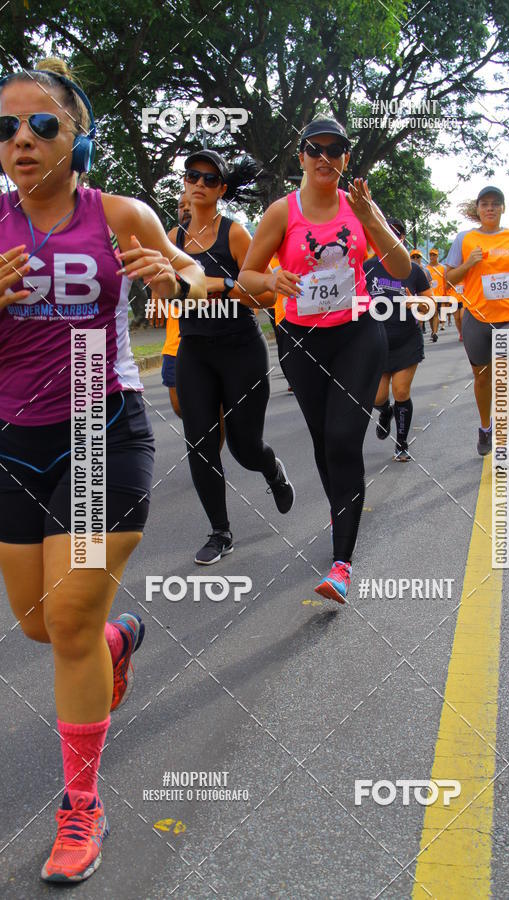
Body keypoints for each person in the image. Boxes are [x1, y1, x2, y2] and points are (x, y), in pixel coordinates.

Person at [0, 59, 206, 883]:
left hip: (99, 424)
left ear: (79, 137)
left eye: (41, 124)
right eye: (6, 127)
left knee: (71, 622)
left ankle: (81, 809)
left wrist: (177, 279)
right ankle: (119, 641)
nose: (20, 139)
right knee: (39, 626)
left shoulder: (119, 214)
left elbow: (192, 277)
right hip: (14, 435)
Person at [238, 116, 411, 602]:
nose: (324, 158)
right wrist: (271, 281)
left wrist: (371, 215)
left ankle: (341, 564)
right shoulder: (281, 212)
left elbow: (403, 268)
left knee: (341, 438)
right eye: (314, 149)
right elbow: (246, 278)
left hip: (357, 333)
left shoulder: (360, 209)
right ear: (301, 157)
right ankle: (343, 515)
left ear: (346, 159)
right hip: (300, 338)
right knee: (322, 440)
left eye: (335, 150)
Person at [174, 149, 294, 565]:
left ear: (222, 189)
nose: (201, 184)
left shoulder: (236, 233)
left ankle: (272, 470)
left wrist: (218, 285)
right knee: (200, 444)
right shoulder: (170, 238)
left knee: (244, 446)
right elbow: (162, 293)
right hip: (195, 351)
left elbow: (264, 293)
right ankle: (220, 532)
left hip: (240, 348)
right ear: (185, 183)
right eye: (194, 176)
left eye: (210, 179)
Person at [445, 186, 509, 456]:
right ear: (477, 209)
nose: (490, 208)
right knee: (482, 378)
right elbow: (448, 279)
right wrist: (469, 263)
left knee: (503, 377)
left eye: (495, 204)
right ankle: (485, 427)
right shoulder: (464, 239)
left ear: (503, 208)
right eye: (485, 204)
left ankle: (503, 435)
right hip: (476, 319)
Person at [367, 220, 432, 461]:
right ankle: (385, 413)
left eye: (395, 234)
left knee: (401, 390)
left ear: (402, 239)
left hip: (406, 339)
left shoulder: (414, 271)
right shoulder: (366, 268)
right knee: (377, 397)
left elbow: (429, 305)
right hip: (376, 342)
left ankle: (402, 443)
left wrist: (415, 301)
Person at [161, 192, 191, 417]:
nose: (186, 209)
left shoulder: (227, 236)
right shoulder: (170, 241)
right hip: (174, 343)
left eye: (190, 204)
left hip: (210, 340)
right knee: (181, 408)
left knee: (204, 412)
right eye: (181, 205)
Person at [411, 248, 437, 340]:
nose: (415, 258)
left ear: (421, 258)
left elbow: (430, 283)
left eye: (417, 256)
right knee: (420, 317)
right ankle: (420, 334)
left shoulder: (426, 271)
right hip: (414, 297)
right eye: (413, 256)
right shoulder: (408, 270)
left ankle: (434, 333)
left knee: (433, 314)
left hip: (425, 296)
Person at [425, 247, 448, 334]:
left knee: (442, 309)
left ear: (437, 256)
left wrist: (447, 292)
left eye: (434, 255)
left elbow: (445, 280)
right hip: (431, 293)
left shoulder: (443, 268)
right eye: (431, 255)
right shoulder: (426, 268)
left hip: (441, 292)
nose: (432, 257)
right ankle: (434, 330)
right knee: (434, 313)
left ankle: (442, 324)